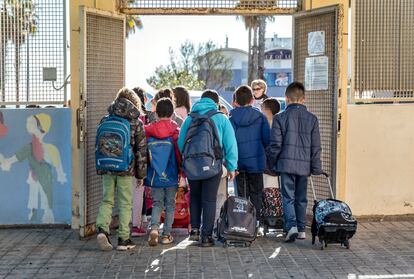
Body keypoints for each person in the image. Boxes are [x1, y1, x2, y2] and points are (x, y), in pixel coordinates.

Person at [178, 90, 238, 247]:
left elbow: (181, 142)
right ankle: (206, 237)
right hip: (212, 165)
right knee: (209, 199)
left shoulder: (189, 119)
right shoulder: (221, 118)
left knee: (195, 196)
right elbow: (231, 144)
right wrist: (232, 167)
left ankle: (195, 230)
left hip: (192, 166)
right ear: (217, 103)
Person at [266, 81, 322, 242]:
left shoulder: (279, 118)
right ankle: (302, 228)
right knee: (301, 197)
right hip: (304, 166)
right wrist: (315, 167)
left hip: (286, 165)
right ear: (303, 99)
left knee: (288, 197)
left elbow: (275, 144)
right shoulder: (312, 119)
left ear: (286, 98)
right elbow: (316, 146)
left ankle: (291, 227)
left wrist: (273, 163)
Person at [95, 87, 147, 251]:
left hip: (107, 165)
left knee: (107, 199)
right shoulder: (136, 123)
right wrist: (141, 174)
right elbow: (141, 150)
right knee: (125, 203)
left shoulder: (105, 119)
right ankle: (124, 239)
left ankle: (103, 229)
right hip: (126, 168)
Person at [229, 85, 270, 223]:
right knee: (257, 193)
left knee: (241, 194)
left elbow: (229, 142)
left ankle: (243, 223)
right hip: (256, 162)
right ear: (252, 100)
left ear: (235, 101)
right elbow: (267, 140)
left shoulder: (231, 119)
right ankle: (256, 222)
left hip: (238, 162)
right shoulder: (261, 117)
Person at [145, 98, 181, 246]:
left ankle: (154, 228)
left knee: (157, 202)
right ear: (173, 114)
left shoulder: (148, 130)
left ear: (157, 113)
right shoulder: (175, 131)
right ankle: (166, 235)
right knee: (170, 204)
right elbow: (179, 154)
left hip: (155, 174)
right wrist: (182, 173)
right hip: (172, 174)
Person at [131, 86, 150, 237]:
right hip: (139, 160)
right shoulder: (143, 117)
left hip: (121, 162)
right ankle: (137, 224)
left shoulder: (121, 117)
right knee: (139, 191)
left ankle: (126, 224)